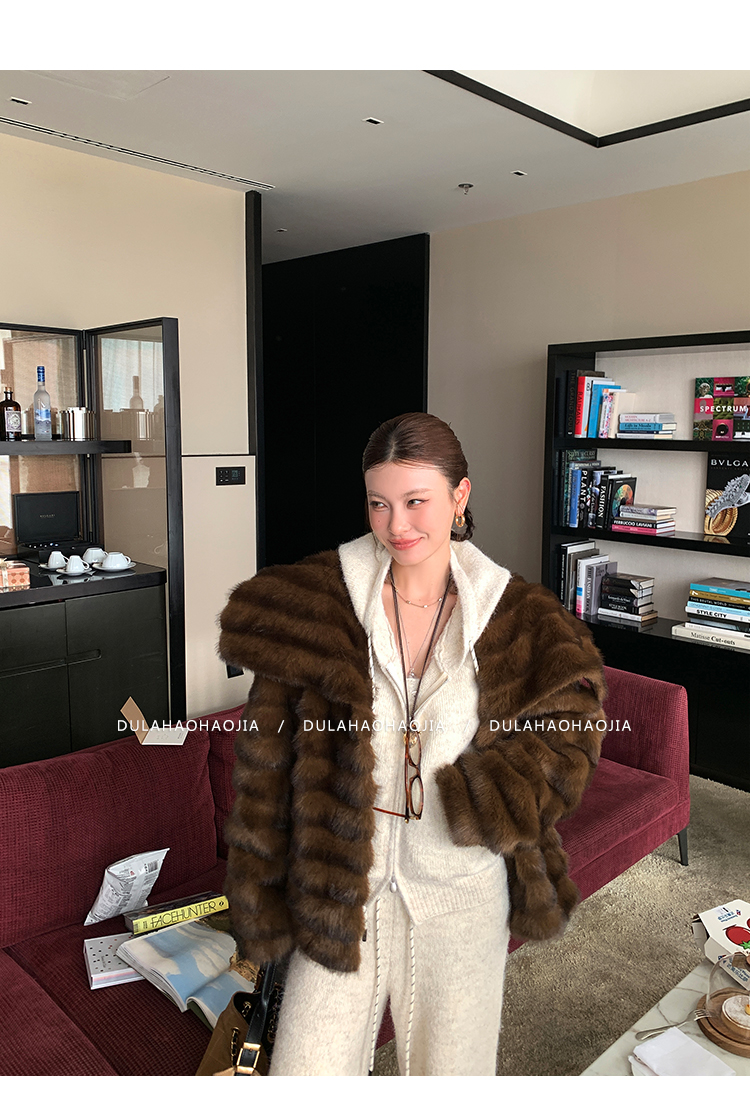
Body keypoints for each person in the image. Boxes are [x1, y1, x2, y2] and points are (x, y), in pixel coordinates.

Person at [218, 411, 607, 1076]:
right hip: (340, 890)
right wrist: (264, 891)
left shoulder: (516, 617)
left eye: (416, 501)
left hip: (462, 896)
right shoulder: (316, 609)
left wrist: (485, 799)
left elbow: (572, 729)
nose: (396, 524)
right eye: (379, 503)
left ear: (460, 497)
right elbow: (266, 765)